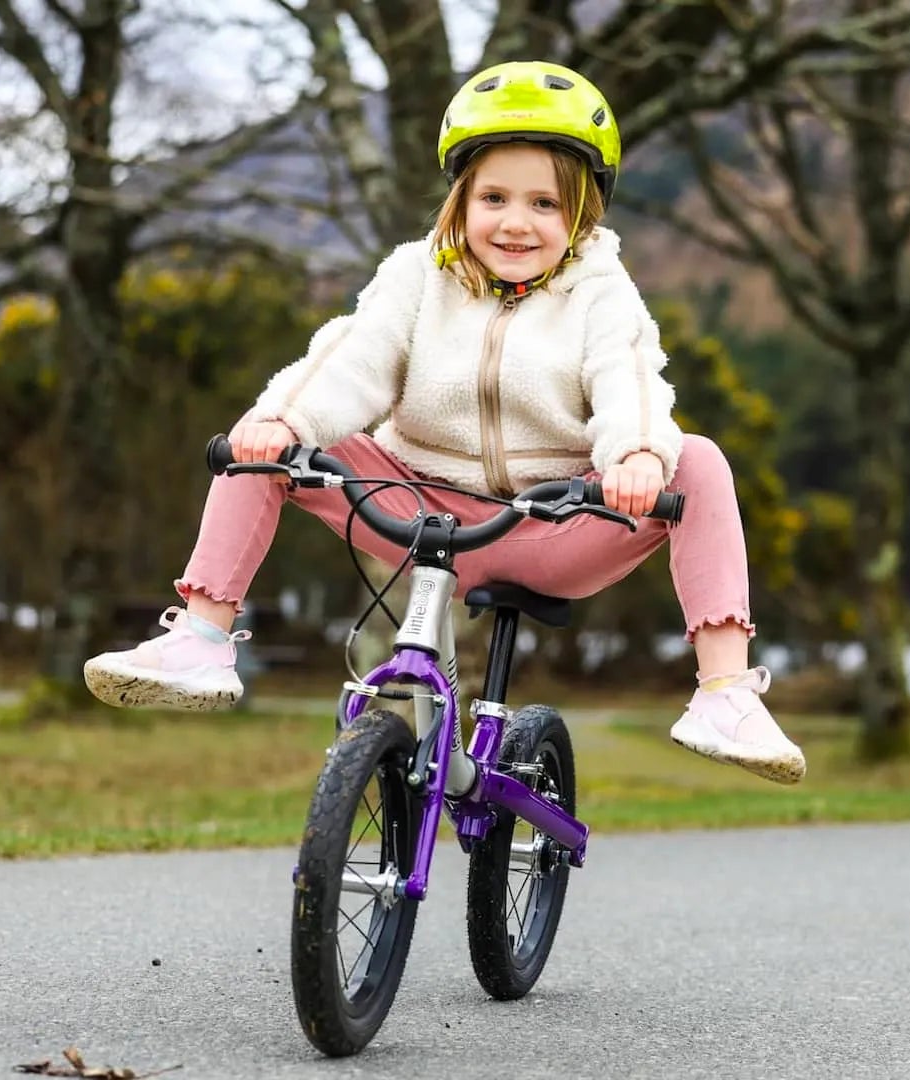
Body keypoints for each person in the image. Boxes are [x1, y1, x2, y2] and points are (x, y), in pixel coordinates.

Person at [83, 61, 805, 784]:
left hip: (551, 520)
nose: (516, 222)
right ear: (460, 199)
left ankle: (724, 693)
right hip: (414, 505)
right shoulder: (415, 276)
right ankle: (202, 639)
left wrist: (637, 455)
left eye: (545, 204)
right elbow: (354, 356)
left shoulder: (601, 293)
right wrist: (285, 418)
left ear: (583, 215)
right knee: (263, 440)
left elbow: (630, 374)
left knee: (695, 460)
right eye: (493, 197)